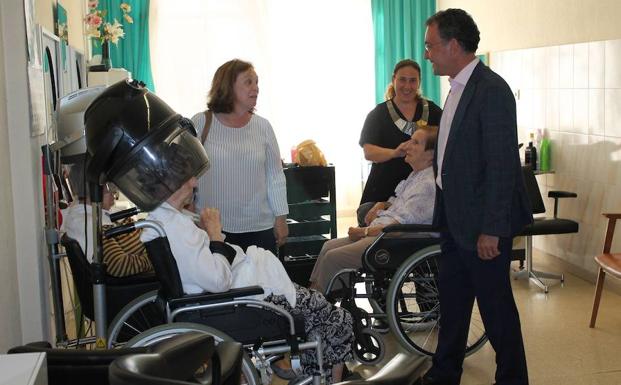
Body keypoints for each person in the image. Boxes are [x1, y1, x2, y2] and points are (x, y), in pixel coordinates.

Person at [140, 176, 353, 383]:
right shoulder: (177, 227)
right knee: (338, 318)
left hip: (238, 288)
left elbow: (205, 267)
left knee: (317, 306)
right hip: (241, 299)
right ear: (170, 183)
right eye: (188, 178)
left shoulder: (166, 219)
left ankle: (316, 372)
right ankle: (330, 377)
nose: (195, 183)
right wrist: (214, 233)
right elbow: (218, 281)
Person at [422, 9, 532, 385]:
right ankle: (444, 374)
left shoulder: (491, 90)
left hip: (482, 227)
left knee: (496, 311)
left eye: (431, 45)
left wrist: (492, 230)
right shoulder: (456, 88)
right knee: (453, 306)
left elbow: (503, 167)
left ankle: (513, 379)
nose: (427, 54)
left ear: (453, 45)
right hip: (455, 221)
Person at [310, 125, 438, 294]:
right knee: (328, 246)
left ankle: (321, 304)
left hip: (395, 241)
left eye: (415, 142)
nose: (407, 145)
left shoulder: (427, 184)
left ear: (430, 155)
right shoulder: (417, 175)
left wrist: (364, 231)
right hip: (384, 235)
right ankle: (314, 295)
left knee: (334, 258)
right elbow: (401, 205)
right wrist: (381, 204)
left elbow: (399, 227)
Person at [191, 59, 288, 254]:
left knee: (262, 284)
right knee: (220, 283)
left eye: (257, 82)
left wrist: (281, 218)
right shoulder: (201, 123)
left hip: (260, 228)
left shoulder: (263, 127)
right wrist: (191, 213)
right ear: (228, 87)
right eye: (248, 82)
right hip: (212, 228)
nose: (256, 88)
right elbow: (184, 174)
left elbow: (275, 176)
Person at [358, 59, 442, 226]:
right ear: (393, 79)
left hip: (421, 191)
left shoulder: (434, 111)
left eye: (413, 81)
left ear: (419, 82)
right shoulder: (378, 114)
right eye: (402, 79)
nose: (407, 86)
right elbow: (369, 152)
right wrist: (395, 153)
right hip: (384, 187)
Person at [62, 161, 153, 277]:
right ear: (93, 188)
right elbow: (120, 266)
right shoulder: (90, 224)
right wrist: (155, 258)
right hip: (140, 280)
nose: (114, 192)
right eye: (109, 186)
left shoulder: (92, 214)